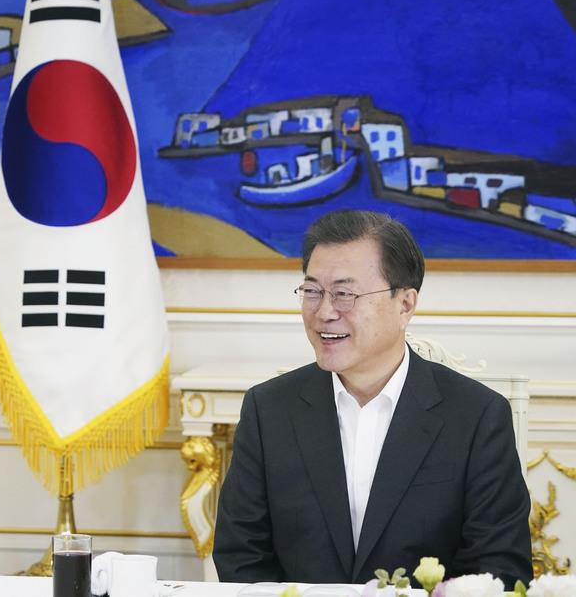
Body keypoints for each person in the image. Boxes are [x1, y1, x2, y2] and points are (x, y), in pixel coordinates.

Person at [213, 210, 531, 587]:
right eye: (312, 291)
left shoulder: (477, 416)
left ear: (405, 304)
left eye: (345, 294)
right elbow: (241, 555)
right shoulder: (269, 410)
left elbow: (497, 570)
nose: (324, 312)